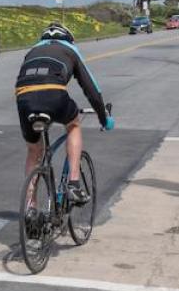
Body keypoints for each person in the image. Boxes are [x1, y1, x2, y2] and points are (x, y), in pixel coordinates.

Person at [14, 22, 110, 206]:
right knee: (73, 126)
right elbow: (92, 90)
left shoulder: (32, 51)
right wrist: (104, 118)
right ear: (69, 39)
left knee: (34, 150)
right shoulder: (70, 50)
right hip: (53, 93)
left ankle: (30, 208)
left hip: (24, 97)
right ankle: (73, 184)